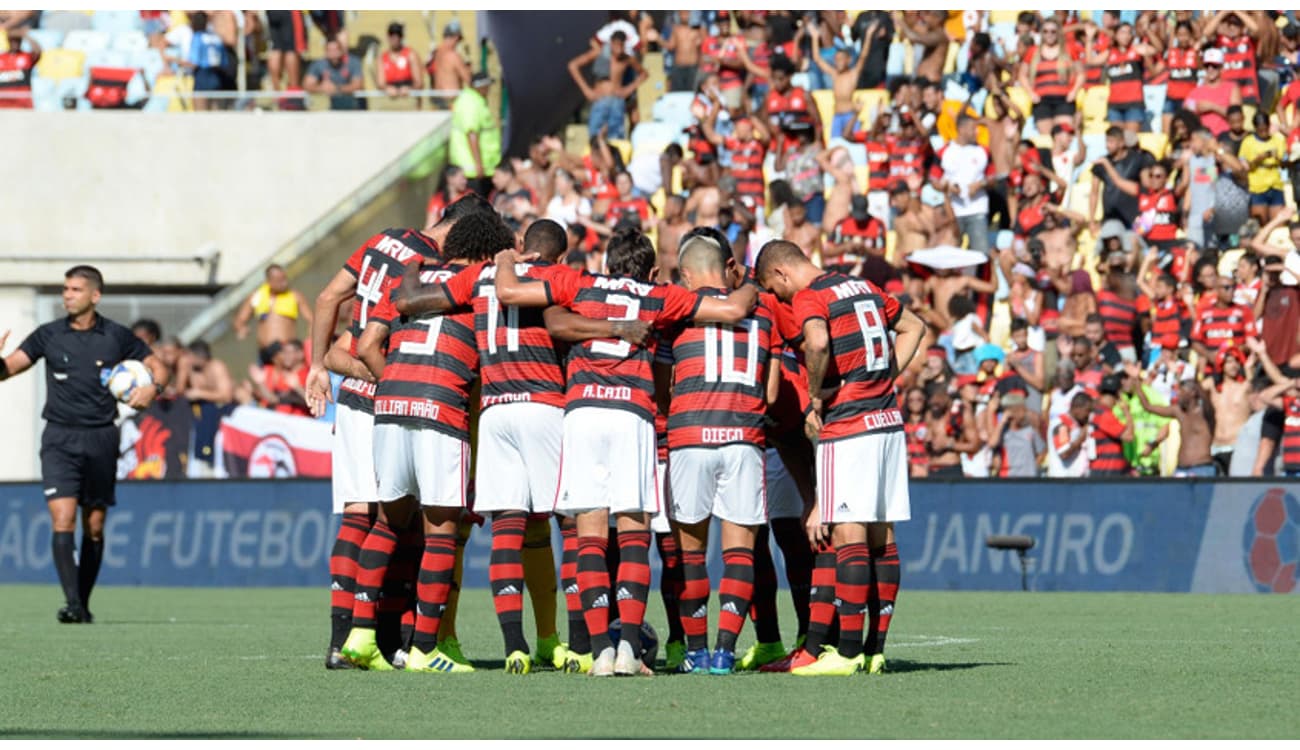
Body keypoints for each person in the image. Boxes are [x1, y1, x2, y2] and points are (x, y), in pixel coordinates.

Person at [493, 227, 758, 677]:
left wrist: (504, 257)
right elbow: (734, 308)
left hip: (582, 414)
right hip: (631, 413)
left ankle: (600, 652)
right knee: (635, 534)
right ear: (651, 269)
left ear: (607, 263)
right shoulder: (661, 294)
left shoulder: (580, 282)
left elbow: (516, 296)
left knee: (590, 536)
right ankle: (629, 652)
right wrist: (751, 278)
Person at [393, 218, 652, 674]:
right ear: (561, 256)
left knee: (507, 529)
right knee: (574, 526)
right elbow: (566, 322)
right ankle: (579, 644)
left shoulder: (482, 276)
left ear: (521, 245)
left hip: (495, 409)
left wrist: (415, 266)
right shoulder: (556, 278)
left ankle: (514, 645)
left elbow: (410, 300)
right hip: (546, 405)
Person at [305, 194, 493, 670]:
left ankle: (346, 640)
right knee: (410, 521)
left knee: (362, 514)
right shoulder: (427, 267)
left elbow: (328, 298)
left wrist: (316, 365)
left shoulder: (382, 240)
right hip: (400, 387)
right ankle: (403, 638)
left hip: (357, 390)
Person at [348, 212, 511, 673]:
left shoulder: (404, 281)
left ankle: (360, 637)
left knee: (385, 523)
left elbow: (364, 346)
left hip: (392, 402)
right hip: (442, 403)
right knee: (442, 531)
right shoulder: (481, 282)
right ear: (486, 252)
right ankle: (425, 649)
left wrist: (399, 384)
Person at [755, 239, 926, 676]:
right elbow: (915, 328)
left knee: (847, 536)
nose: (780, 301)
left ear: (781, 274)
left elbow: (816, 340)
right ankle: (873, 650)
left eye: (775, 292)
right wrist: (885, 378)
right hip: (887, 421)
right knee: (880, 537)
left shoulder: (812, 296)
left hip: (849, 427)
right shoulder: (863, 286)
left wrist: (814, 398)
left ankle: (845, 654)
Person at [0, 266, 168, 623]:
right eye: (65, 289)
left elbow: (159, 367)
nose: (67, 295)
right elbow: (9, 368)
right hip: (59, 437)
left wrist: (153, 388)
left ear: (95, 296)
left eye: (76, 289)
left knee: (93, 525)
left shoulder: (118, 337)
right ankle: (72, 603)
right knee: (62, 518)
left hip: (101, 437)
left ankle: (83, 603)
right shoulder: (48, 335)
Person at [660, 234, 777, 675]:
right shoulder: (761, 314)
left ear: (687, 275)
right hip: (743, 437)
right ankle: (726, 651)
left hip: (690, 436)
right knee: (739, 553)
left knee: (690, 554)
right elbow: (771, 388)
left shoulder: (677, 313)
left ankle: (695, 651)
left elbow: (662, 384)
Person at [930, 114, 993, 255]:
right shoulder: (944, 151)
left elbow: (993, 177)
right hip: (953, 211)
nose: (976, 132)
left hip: (977, 209)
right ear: (961, 129)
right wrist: (947, 187)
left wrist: (980, 184)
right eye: (973, 128)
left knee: (981, 255)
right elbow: (933, 179)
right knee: (950, 253)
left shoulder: (983, 151)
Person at [234, 264, 313, 363]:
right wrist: (241, 328)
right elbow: (240, 320)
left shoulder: (295, 296)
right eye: (279, 280)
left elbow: (312, 320)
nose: (284, 283)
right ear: (269, 282)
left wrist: (309, 340)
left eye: (285, 278)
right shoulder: (257, 297)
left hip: (287, 353)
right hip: (266, 353)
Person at [450, 72, 502, 197]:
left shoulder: (472, 99)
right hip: (473, 171)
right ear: (480, 86)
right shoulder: (471, 103)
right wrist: (478, 164)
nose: (489, 89)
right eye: (487, 86)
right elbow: (472, 133)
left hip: (478, 168)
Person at [1238, 111, 1289, 224]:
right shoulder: (1248, 142)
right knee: (1260, 222)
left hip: (1275, 185)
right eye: (1260, 130)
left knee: (1279, 222)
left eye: (1266, 129)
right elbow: (1244, 168)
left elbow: (1285, 165)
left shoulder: (1278, 140)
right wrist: (1258, 159)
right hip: (1257, 187)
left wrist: (1278, 159)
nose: (1264, 133)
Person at [1183, 48, 1242, 138]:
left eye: (1214, 66)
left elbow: (1236, 115)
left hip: (1225, 136)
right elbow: (1186, 110)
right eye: (1207, 66)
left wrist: (1212, 107)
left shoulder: (1231, 88)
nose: (1210, 69)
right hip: (1203, 137)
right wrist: (1196, 108)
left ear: (1221, 68)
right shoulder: (1196, 91)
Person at [1088, 373, 1134, 477]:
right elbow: (1129, 436)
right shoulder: (1104, 414)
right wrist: (1127, 412)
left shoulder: (1096, 411)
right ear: (1118, 394)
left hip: (1102, 470)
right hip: (1106, 472)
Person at [304, 36, 363, 111]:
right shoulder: (318, 64)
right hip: (327, 108)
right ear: (325, 52)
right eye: (330, 50)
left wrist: (337, 88)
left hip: (352, 107)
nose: (333, 54)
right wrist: (321, 88)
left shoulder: (354, 62)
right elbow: (307, 85)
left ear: (342, 50)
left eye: (336, 50)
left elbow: (357, 85)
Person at [1047, 392, 1093, 477]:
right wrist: (1080, 439)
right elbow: (1063, 453)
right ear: (1077, 409)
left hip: (1075, 478)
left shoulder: (1076, 423)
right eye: (1087, 410)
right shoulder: (1061, 424)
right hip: (1062, 479)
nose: (1088, 415)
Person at [377, 21, 423, 104]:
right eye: (392, 35)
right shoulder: (382, 58)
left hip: (408, 100)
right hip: (390, 102)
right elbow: (380, 83)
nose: (395, 39)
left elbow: (419, 82)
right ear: (388, 37)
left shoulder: (411, 55)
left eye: (398, 35)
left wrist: (410, 88)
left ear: (402, 37)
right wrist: (387, 88)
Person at [428, 20, 471, 103]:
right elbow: (468, 79)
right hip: (451, 101)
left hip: (437, 100)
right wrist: (468, 61)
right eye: (459, 40)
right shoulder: (453, 56)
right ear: (456, 37)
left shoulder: (436, 53)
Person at [0, 25, 40, 109]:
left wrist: (25, 35)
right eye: (13, 41)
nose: (15, 43)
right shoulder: (1, 57)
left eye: (18, 41)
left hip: (22, 100)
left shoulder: (26, 56)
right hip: (3, 99)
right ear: (8, 41)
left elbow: (38, 51)